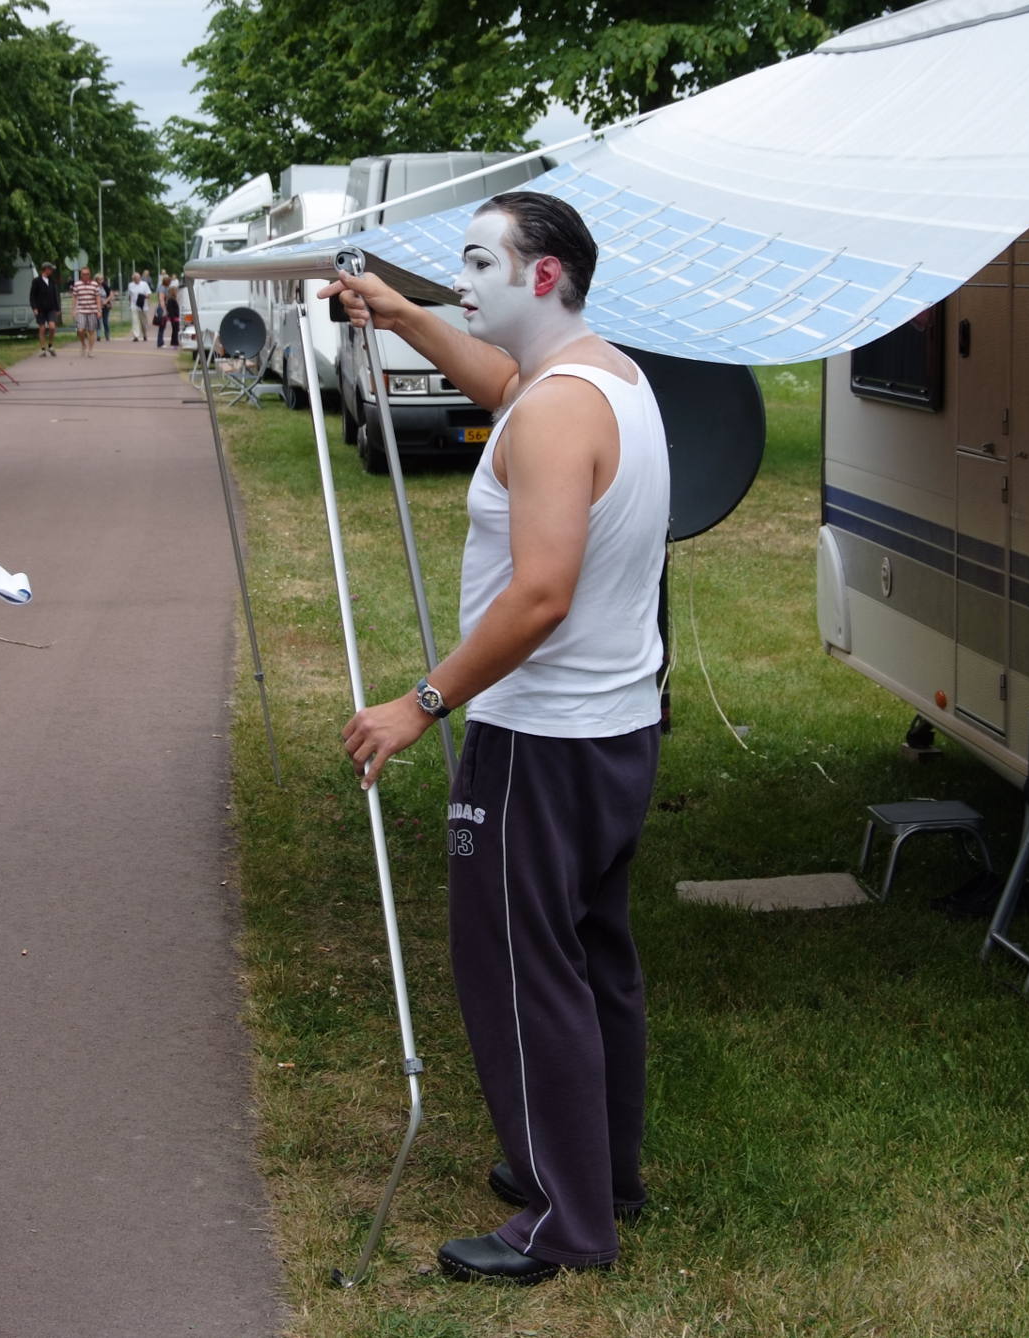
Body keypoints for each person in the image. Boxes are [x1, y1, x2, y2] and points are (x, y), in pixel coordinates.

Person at [324, 192, 668, 1287]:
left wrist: (417, 705)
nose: (459, 281)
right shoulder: (593, 376)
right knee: (589, 960)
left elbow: (539, 596)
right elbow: (501, 388)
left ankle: (562, 1220)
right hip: (610, 729)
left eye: (477, 263)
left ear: (542, 276)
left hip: (539, 740)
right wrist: (397, 312)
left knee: (521, 975)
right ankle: (598, 1172)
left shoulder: (561, 410)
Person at [70, 265, 104, 358]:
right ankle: (83, 344)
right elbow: (74, 297)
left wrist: (99, 310)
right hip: (81, 310)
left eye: (87, 274)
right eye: (84, 274)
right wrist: (73, 310)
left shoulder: (94, 284)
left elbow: (97, 298)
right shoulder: (77, 284)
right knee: (80, 330)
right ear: (81, 275)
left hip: (92, 310)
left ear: (90, 275)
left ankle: (90, 350)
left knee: (91, 331)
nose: (85, 276)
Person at [29, 262, 60, 356]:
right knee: (42, 328)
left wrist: (57, 308)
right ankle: (43, 349)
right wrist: (34, 308)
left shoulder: (52, 281)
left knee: (52, 327)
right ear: (46, 269)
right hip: (40, 309)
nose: (51, 271)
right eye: (50, 269)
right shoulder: (36, 281)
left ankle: (50, 345)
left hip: (51, 308)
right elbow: (32, 296)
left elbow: (55, 295)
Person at [128, 270, 152, 341]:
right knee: (135, 320)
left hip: (143, 306)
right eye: (136, 279)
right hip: (134, 305)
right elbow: (130, 295)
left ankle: (144, 334)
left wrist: (143, 297)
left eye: (138, 278)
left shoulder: (144, 284)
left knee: (143, 322)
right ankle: (136, 336)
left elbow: (149, 294)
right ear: (133, 279)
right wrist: (130, 304)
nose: (137, 280)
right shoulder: (130, 285)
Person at [152, 271, 172, 348]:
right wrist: (164, 310)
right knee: (162, 326)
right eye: (169, 282)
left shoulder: (162, 287)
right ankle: (160, 343)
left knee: (162, 326)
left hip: (162, 307)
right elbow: (161, 299)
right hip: (162, 308)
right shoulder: (163, 288)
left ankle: (160, 342)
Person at [98, 275, 114, 341]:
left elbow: (111, 294)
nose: (101, 281)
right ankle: (98, 336)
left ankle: (107, 335)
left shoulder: (105, 286)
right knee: (98, 321)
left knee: (105, 321)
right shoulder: (94, 287)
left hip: (106, 306)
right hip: (98, 306)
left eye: (102, 279)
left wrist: (106, 301)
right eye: (99, 279)